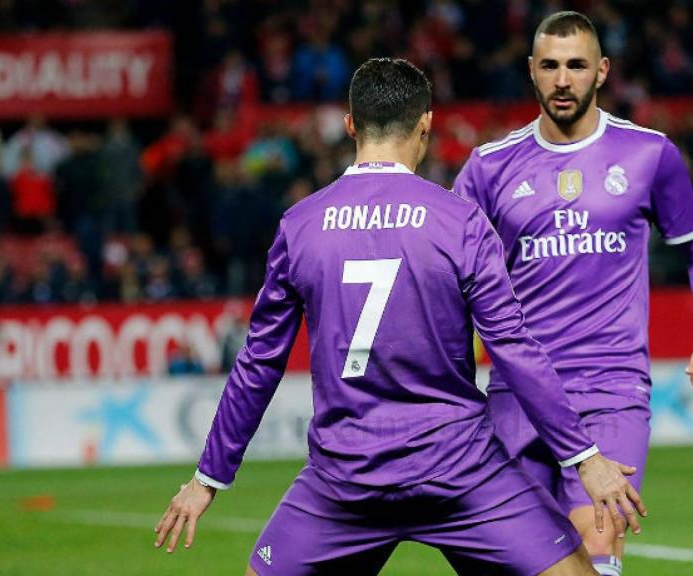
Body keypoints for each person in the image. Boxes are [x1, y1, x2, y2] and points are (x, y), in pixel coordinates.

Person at [154, 57, 644, 576]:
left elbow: (259, 363)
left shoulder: (300, 226)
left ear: (350, 125)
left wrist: (209, 477)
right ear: (426, 125)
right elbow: (515, 350)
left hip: (346, 480)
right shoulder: (460, 222)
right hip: (461, 471)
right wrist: (585, 459)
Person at [452, 12, 693, 575]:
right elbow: (445, 277)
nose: (562, 79)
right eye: (550, 66)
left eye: (576, 65)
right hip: (517, 392)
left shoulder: (649, 154)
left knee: (596, 542)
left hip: (612, 387)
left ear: (601, 71)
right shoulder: (489, 167)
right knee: (527, 562)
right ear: (531, 71)